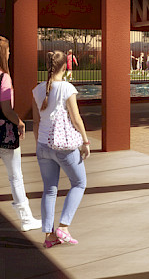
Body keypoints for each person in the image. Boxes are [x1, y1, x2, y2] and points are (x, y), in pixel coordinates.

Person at [31, 50, 89, 248]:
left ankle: (49, 236)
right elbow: (76, 118)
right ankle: (63, 227)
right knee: (79, 183)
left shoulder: (37, 90)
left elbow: (36, 123)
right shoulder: (67, 88)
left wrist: (41, 145)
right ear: (65, 66)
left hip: (43, 146)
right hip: (64, 146)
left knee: (49, 190)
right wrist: (86, 142)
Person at [0, 36, 41, 231]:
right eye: (8, 50)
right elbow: (7, 109)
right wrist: (20, 122)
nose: (10, 53)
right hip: (5, 134)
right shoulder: (4, 78)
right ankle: (26, 219)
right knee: (15, 176)